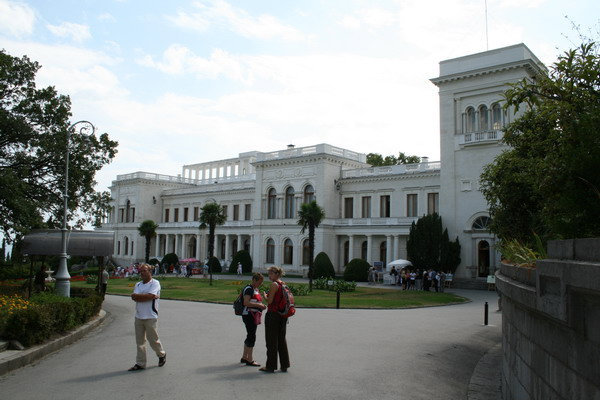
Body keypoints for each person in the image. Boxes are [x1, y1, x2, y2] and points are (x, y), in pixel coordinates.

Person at [128, 264, 166, 371]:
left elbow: (148, 296)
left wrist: (141, 296)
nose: (142, 273)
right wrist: (146, 296)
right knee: (140, 342)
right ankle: (140, 363)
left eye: (144, 271)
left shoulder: (155, 283)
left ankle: (161, 354)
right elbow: (136, 297)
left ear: (150, 272)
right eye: (141, 271)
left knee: (153, 339)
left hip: (150, 315)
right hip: (139, 316)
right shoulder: (138, 284)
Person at [260, 266, 290, 373]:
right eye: (268, 273)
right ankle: (284, 364)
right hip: (282, 315)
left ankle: (270, 366)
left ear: (277, 274)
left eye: (271, 273)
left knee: (271, 341)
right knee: (282, 340)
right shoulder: (283, 284)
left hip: (273, 315)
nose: (269, 275)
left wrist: (264, 295)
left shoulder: (274, 285)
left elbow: (269, 301)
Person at [240, 273, 267, 367]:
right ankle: (250, 359)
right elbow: (246, 302)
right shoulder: (249, 289)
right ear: (254, 280)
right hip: (249, 315)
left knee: (250, 335)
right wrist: (259, 305)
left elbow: (255, 301)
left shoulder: (255, 289)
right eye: (259, 282)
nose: (260, 284)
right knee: (252, 336)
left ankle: (244, 357)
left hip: (253, 314)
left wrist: (261, 304)